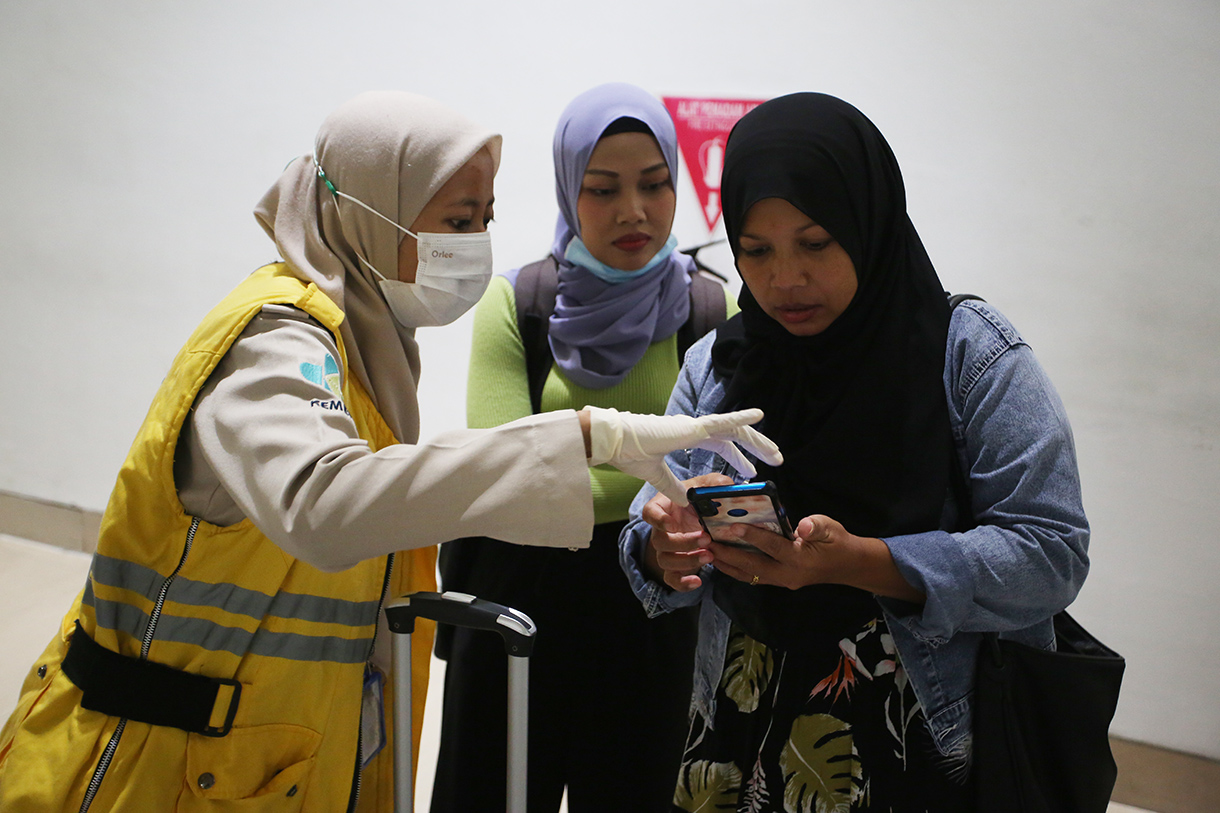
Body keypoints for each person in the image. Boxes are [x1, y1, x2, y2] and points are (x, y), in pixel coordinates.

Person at [0, 91, 781, 813]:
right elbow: (325, 503)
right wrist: (588, 437)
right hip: (154, 756)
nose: (473, 243)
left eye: (485, 216)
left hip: (264, 743)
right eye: (453, 219)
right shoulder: (278, 338)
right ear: (377, 214)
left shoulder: (366, 341)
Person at [619, 92, 1090, 812]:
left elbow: (1052, 550)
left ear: (868, 225)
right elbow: (643, 534)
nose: (785, 279)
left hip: (921, 729)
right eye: (756, 250)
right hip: (739, 717)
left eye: (815, 243)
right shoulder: (721, 363)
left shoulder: (968, 356)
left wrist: (865, 561)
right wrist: (664, 545)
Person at [429, 82, 737, 813]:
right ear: (571, 189)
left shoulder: (710, 309)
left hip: (655, 612)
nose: (634, 210)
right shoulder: (521, 304)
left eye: (655, 183)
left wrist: (591, 468)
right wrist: (648, 479)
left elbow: (717, 477)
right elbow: (505, 475)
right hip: (521, 609)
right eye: (603, 189)